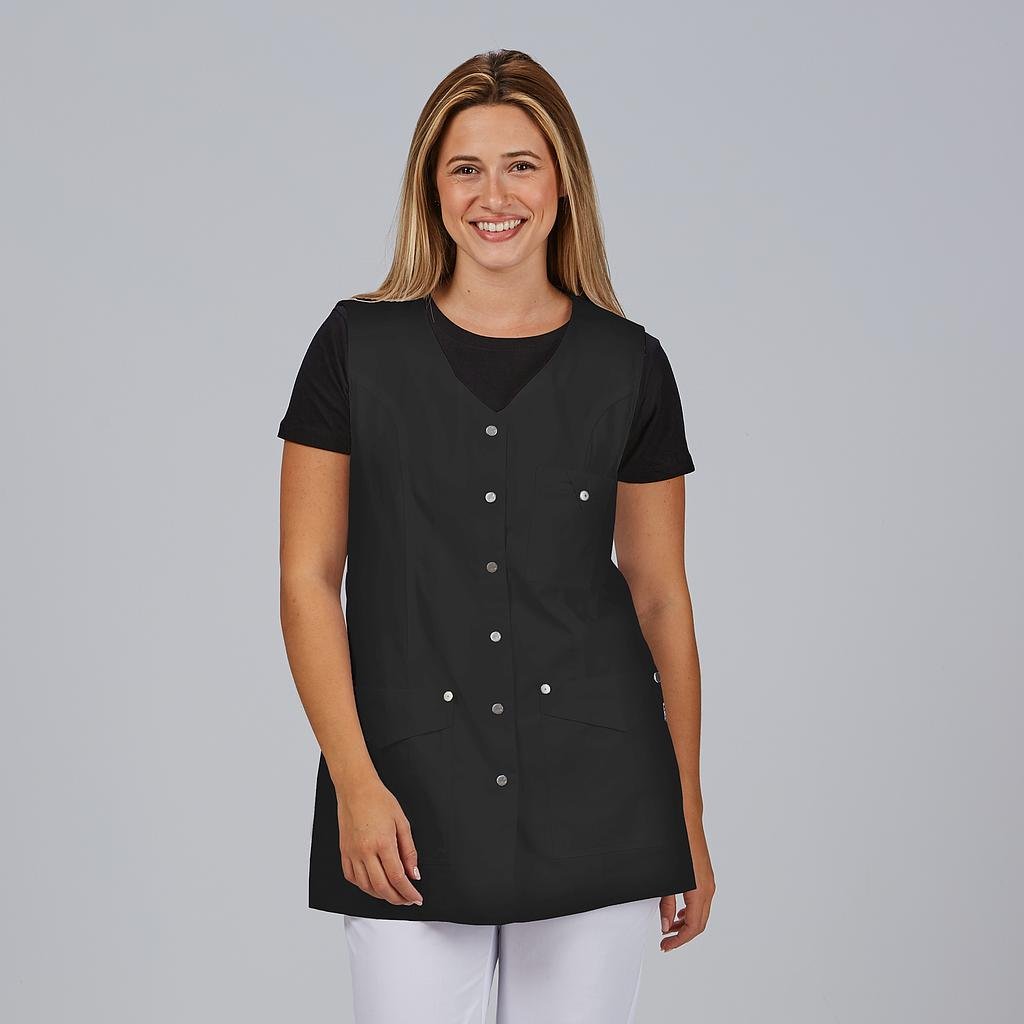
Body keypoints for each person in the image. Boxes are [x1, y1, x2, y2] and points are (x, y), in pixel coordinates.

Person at [277, 48, 715, 1023]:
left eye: (521, 164)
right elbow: (307, 578)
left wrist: (684, 810)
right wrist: (353, 780)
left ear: (562, 183)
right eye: (465, 168)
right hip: (406, 791)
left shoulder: (630, 365)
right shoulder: (353, 349)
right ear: (431, 190)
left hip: (602, 792)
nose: (494, 196)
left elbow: (659, 596)